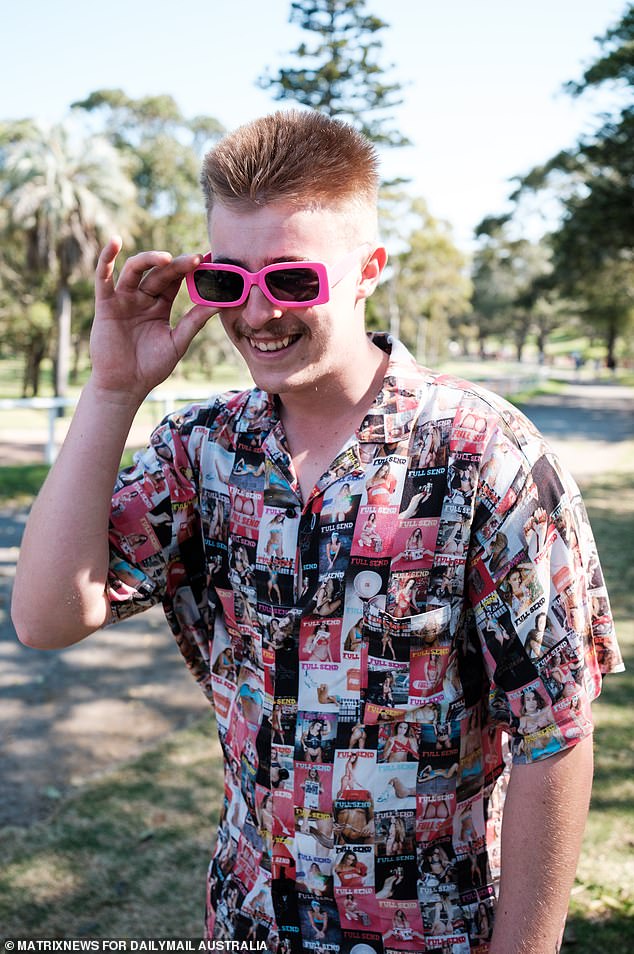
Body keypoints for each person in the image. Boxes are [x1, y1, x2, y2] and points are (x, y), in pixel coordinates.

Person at [12, 109, 622, 954]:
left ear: (368, 269)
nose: (257, 315)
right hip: (248, 921)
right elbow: (47, 618)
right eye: (228, 281)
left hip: (434, 935)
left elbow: (555, 731)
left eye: (293, 280)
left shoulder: (484, 453)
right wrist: (112, 391)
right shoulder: (201, 451)